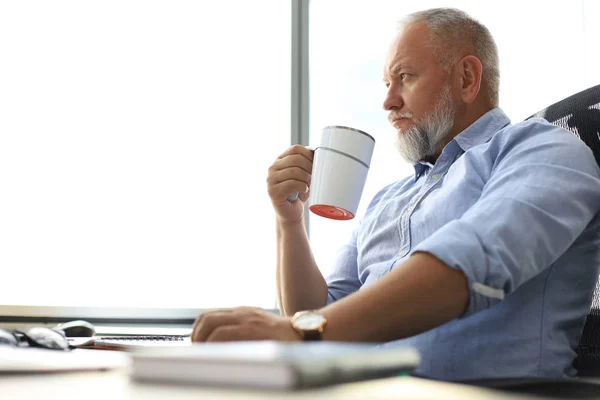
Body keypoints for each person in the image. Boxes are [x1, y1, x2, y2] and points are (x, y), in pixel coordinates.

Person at [191, 8, 600, 381]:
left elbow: (472, 261)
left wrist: (298, 334)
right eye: (387, 83)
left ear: (467, 79)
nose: (388, 102)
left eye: (404, 77)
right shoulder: (387, 199)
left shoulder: (545, 150)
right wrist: (289, 222)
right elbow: (319, 314)